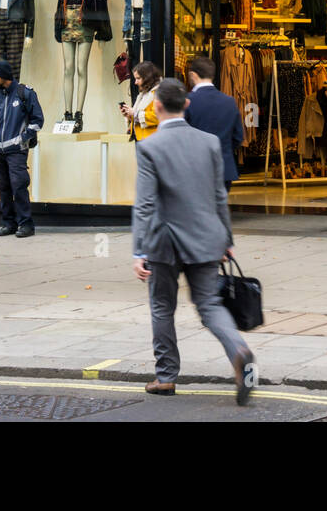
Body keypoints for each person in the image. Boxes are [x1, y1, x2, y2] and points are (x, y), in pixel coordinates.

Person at [131, 78, 255, 403]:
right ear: (186, 105)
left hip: (163, 242)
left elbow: (144, 204)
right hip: (205, 238)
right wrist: (226, 239)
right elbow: (218, 196)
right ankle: (239, 350)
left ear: (156, 107)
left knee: (161, 307)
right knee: (210, 304)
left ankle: (166, 377)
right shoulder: (210, 142)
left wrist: (139, 250)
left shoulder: (149, 147)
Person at [0, 60, 44, 238]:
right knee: (3, 186)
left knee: (19, 186)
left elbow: (37, 121)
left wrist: (22, 139)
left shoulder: (25, 93)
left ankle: (26, 225)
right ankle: (8, 223)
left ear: (5, 76)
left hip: (16, 150)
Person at [183, 55, 244, 190]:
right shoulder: (229, 101)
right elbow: (238, 137)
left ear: (193, 75)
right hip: (224, 168)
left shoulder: (187, 101)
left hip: (195, 169)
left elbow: (180, 136)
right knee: (219, 209)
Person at [121, 62, 161, 142]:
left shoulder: (158, 93)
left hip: (152, 140)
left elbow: (157, 116)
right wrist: (129, 115)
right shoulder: (144, 94)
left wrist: (135, 114)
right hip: (142, 139)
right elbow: (139, 118)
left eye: (138, 78)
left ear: (147, 78)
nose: (135, 82)